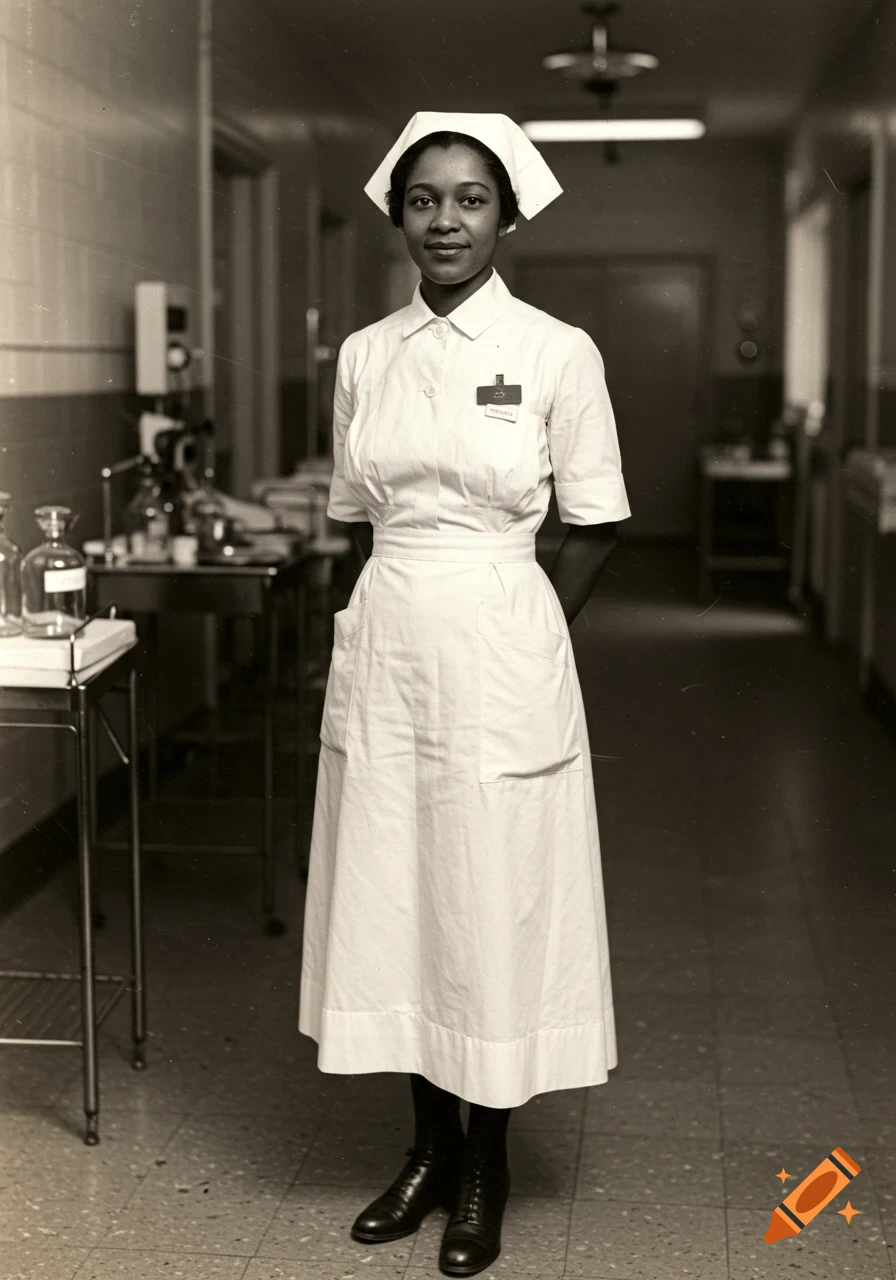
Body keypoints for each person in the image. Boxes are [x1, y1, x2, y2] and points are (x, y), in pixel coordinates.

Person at [298, 111, 631, 1277]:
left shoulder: (556, 349)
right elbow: (357, 519)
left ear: (506, 213)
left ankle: (484, 1165)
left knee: (486, 899)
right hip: (390, 635)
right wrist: (366, 640)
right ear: (401, 212)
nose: (445, 220)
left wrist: (524, 629)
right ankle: (425, 1148)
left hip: (500, 639)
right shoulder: (363, 353)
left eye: (470, 199)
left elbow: (592, 521)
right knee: (398, 895)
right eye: (426, 198)